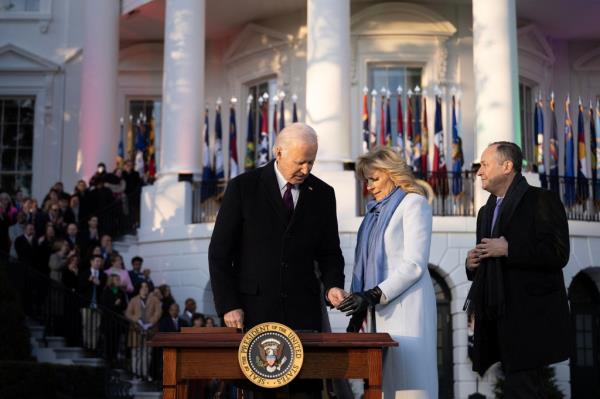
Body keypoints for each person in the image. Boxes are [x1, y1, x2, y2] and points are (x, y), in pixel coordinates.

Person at [209, 122, 346, 398]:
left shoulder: (323, 194)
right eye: (300, 162)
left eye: (311, 162)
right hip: (255, 314)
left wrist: (333, 285)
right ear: (278, 152)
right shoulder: (243, 188)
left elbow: (330, 251)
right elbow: (220, 253)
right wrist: (229, 304)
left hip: (303, 318)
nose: (306, 170)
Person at [464, 142, 571, 398]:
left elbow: (558, 254)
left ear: (507, 166)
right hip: (496, 319)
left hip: (529, 322)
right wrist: (472, 265)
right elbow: (487, 262)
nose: (479, 172)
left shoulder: (542, 200)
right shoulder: (484, 212)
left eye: (485, 164)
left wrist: (509, 249)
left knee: (524, 391)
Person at [337, 146, 438, 398]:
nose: (369, 186)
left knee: (409, 386)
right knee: (381, 388)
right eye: (366, 180)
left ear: (392, 173)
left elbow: (415, 263)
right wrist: (359, 305)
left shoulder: (414, 203)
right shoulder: (373, 214)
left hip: (406, 309)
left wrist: (372, 295)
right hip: (376, 312)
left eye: (374, 178)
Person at [125, 281, 162, 381]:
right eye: (142, 287)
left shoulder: (155, 300)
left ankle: (144, 374)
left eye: (146, 286)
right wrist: (137, 320)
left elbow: (158, 312)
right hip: (136, 330)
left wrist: (150, 323)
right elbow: (128, 313)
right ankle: (135, 374)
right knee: (135, 353)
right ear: (139, 288)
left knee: (147, 353)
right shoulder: (134, 300)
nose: (144, 288)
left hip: (149, 330)